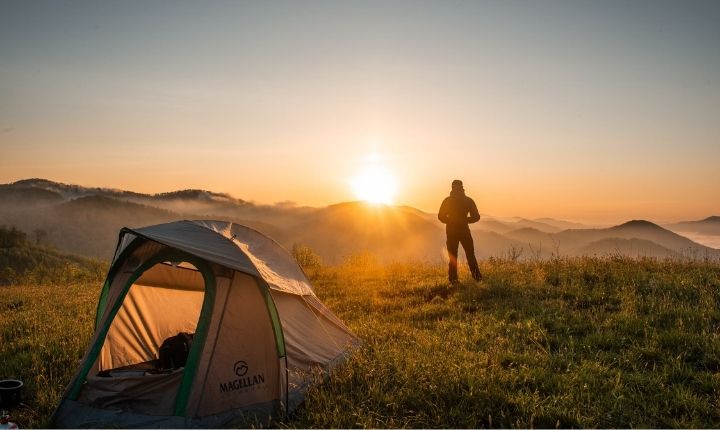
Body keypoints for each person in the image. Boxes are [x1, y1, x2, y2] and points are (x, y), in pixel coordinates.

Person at [438, 179, 482, 283]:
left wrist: (451, 220)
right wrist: (464, 220)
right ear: (462, 187)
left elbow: (440, 216)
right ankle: (477, 278)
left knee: (453, 256)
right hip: (464, 231)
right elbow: (476, 217)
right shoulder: (468, 200)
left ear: (452, 187)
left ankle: (453, 280)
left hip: (451, 232)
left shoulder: (447, 201)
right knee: (470, 255)